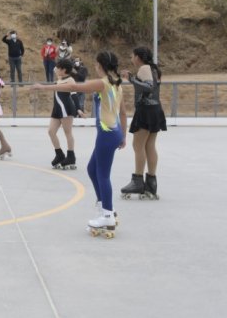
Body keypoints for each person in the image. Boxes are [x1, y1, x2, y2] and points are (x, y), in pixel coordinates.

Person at [30, 52, 126, 238]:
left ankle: (107, 214)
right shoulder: (116, 84)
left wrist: (43, 87)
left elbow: (74, 86)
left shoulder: (103, 83)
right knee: (92, 169)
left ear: (101, 65)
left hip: (106, 133)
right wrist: (122, 136)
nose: (95, 67)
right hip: (113, 133)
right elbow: (122, 113)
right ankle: (105, 207)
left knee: (103, 175)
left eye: (97, 64)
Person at [120, 46, 166, 200]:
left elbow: (149, 87)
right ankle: (151, 184)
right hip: (155, 109)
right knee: (149, 146)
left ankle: (138, 181)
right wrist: (133, 77)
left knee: (137, 146)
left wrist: (131, 79)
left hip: (146, 110)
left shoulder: (144, 68)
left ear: (138, 57)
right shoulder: (153, 68)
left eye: (132, 56)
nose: (131, 59)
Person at [47, 59, 78, 170]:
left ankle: (71, 156)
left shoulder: (70, 80)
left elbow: (74, 95)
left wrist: (79, 109)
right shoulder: (60, 77)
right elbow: (55, 68)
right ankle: (59, 154)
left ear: (63, 70)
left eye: (58, 68)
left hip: (66, 109)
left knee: (67, 132)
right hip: (57, 109)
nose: (56, 69)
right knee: (51, 131)